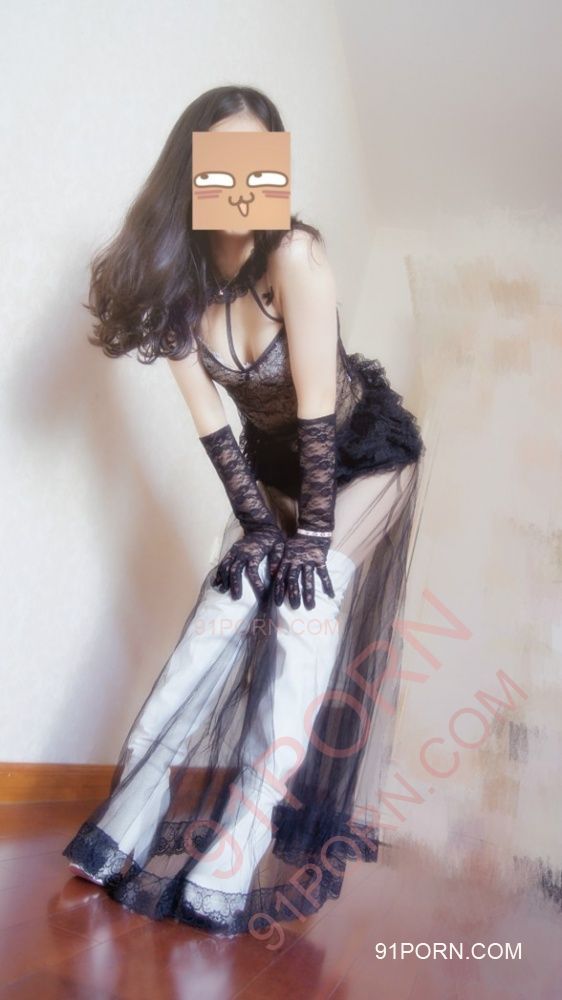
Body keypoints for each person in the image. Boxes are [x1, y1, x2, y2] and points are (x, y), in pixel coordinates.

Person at [62, 84, 426, 939]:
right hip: (270, 471)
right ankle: (125, 822)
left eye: (259, 158)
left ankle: (237, 850)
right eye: (221, 158)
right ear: (191, 170)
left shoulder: (294, 258)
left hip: (359, 458)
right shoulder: (178, 286)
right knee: (224, 608)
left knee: (305, 606)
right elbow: (212, 425)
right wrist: (260, 528)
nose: (241, 178)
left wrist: (311, 537)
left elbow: (316, 413)